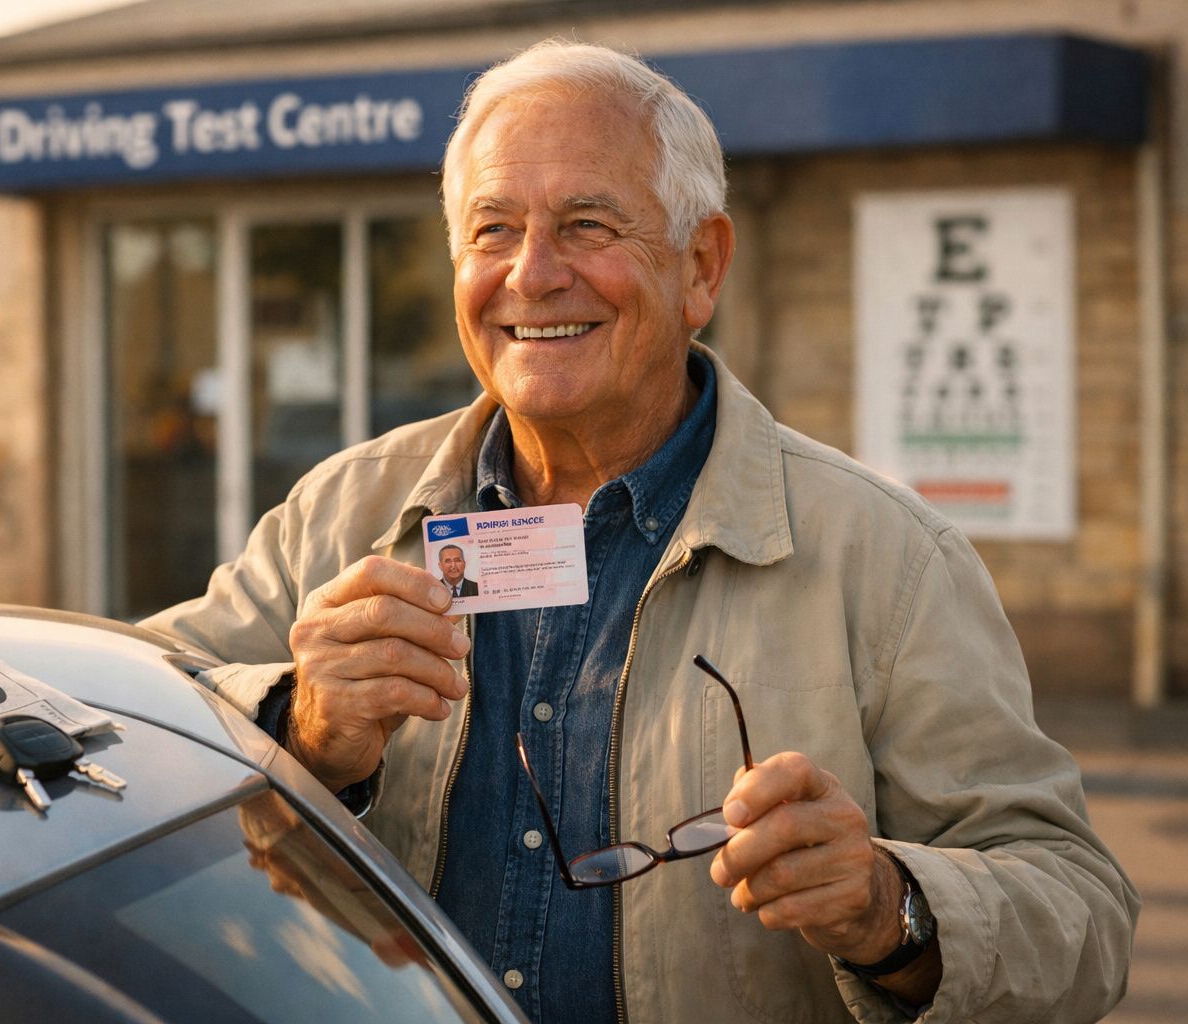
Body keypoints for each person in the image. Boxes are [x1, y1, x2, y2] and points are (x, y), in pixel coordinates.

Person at [141, 39, 1137, 1024]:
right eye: (493, 229)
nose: (531, 275)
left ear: (701, 266)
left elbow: (1080, 913)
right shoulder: (342, 513)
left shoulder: (890, 559)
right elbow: (122, 715)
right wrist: (300, 729)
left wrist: (891, 907)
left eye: (585, 224)